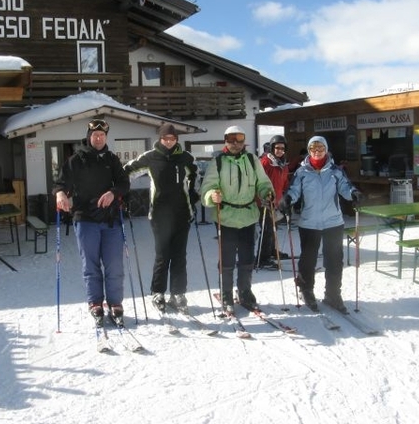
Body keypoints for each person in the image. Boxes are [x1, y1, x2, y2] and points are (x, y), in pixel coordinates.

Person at [53, 118, 130, 325]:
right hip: (85, 219)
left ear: (106, 137)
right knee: (91, 264)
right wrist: (60, 194)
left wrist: (114, 193)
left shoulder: (112, 160)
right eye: (95, 135)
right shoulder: (76, 160)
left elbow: (124, 183)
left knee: (114, 264)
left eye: (102, 135)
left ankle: (115, 303)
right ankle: (95, 302)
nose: (98, 138)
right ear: (89, 137)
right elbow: (61, 183)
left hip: (110, 219)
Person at [279, 135, 362, 313]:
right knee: (308, 260)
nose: (317, 152)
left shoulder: (335, 171)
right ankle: (306, 289)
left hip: (333, 221)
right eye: (313, 149)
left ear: (326, 150)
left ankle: (333, 294)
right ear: (309, 151)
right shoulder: (302, 172)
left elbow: (345, 187)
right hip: (309, 222)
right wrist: (287, 199)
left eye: (320, 149)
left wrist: (353, 193)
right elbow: (294, 190)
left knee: (334, 260)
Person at [124, 123, 198, 313]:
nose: (169, 142)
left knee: (180, 256)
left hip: (182, 214)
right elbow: (127, 171)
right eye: (166, 139)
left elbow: (195, 175)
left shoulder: (186, 158)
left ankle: (178, 293)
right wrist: (121, 191)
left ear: (177, 139)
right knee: (163, 256)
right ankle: (158, 292)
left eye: (172, 139)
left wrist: (193, 193)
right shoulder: (151, 157)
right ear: (160, 139)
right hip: (159, 215)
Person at [200, 125, 274, 311]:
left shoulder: (251, 159)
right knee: (227, 259)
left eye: (239, 139)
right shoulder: (218, 162)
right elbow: (208, 186)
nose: (235, 144)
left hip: (248, 216)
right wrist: (211, 196)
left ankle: (245, 292)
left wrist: (267, 193)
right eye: (231, 140)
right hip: (226, 217)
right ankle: (226, 294)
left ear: (243, 141)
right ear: (225, 140)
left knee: (247, 257)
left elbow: (263, 182)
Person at [257, 135, 290, 269]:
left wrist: (286, 197)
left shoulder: (283, 164)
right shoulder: (266, 162)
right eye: (277, 148)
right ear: (272, 148)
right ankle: (262, 258)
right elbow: (257, 181)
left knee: (272, 229)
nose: (280, 150)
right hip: (264, 202)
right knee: (267, 229)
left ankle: (271, 251)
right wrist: (262, 197)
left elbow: (284, 183)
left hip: (276, 202)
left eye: (282, 148)